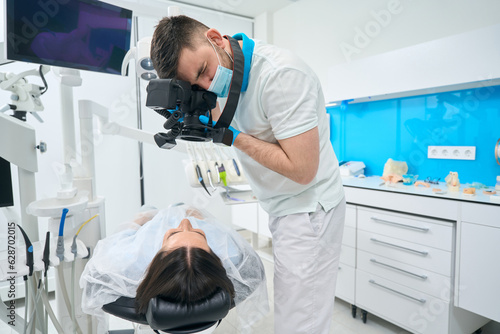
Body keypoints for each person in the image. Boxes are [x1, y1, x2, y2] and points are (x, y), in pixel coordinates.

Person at [150, 15, 346, 334]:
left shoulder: (281, 76)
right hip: (283, 206)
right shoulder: (221, 72)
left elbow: (303, 170)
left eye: (203, 71)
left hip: (308, 209)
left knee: (299, 321)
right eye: (194, 85)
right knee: (294, 313)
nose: (208, 86)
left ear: (216, 38)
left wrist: (229, 135)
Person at [80, 204, 268, 333]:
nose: (185, 224)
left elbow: (99, 270)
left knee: (147, 210)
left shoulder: (128, 259)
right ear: (213, 254)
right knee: (187, 210)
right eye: (196, 233)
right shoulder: (229, 253)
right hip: (188, 222)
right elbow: (252, 270)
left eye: (175, 234)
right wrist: (197, 220)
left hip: (148, 229)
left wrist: (143, 219)